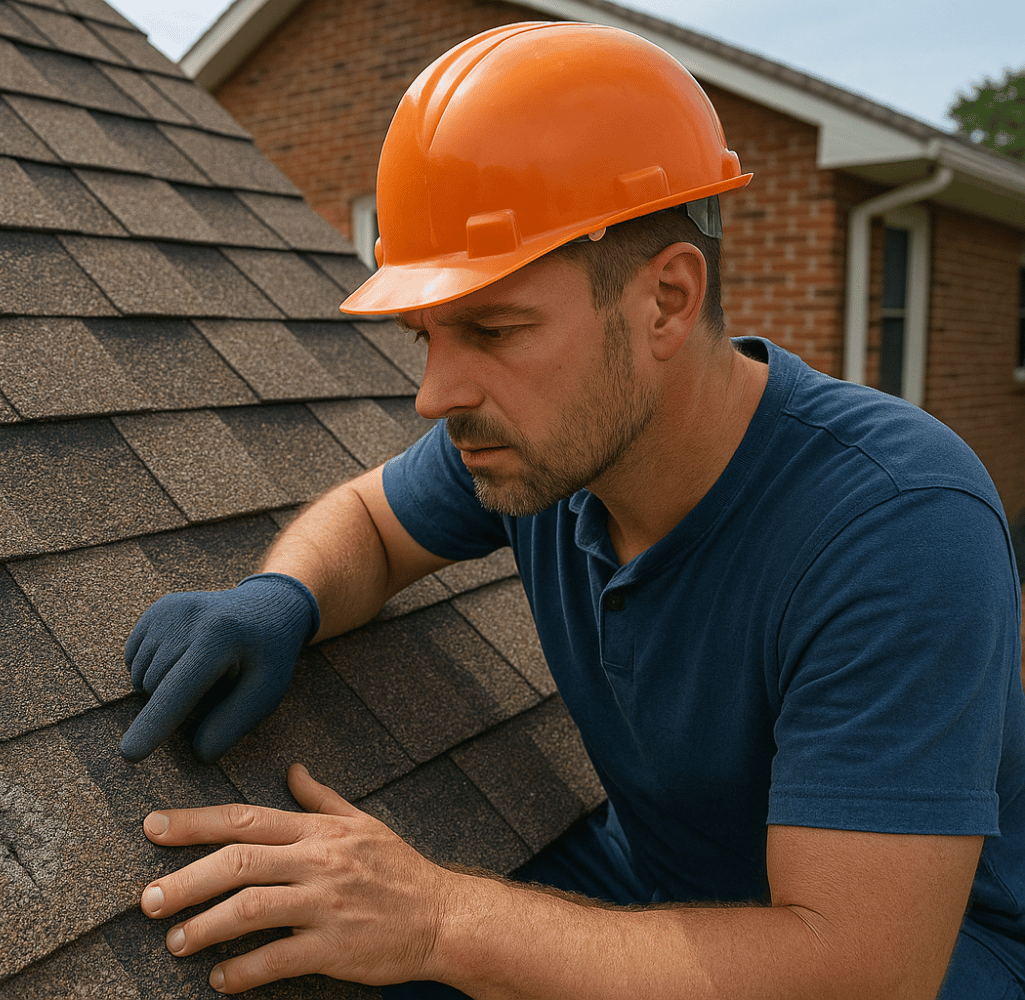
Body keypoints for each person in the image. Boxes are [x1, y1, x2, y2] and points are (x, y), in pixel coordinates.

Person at [118, 22, 1025, 1000]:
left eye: (493, 329)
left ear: (667, 301)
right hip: (654, 883)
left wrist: (440, 918)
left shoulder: (897, 523)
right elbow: (373, 524)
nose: (435, 393)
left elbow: (860, 972)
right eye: (428, 334)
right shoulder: (544, 445)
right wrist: (280, 595)